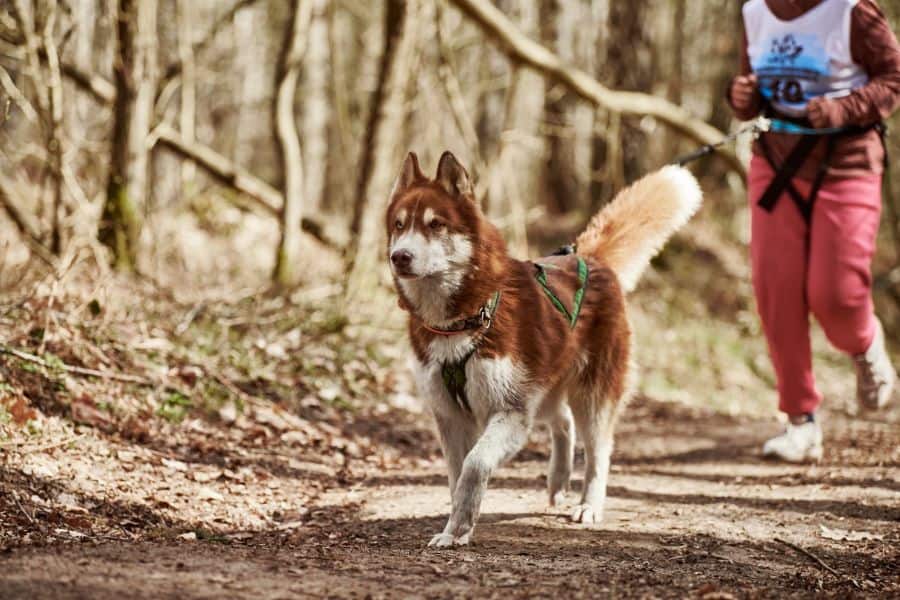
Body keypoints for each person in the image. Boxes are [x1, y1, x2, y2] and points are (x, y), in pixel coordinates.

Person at [728, 0, 900, 461]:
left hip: (847, 164)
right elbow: (750, 89)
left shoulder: (852, 12)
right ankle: (800, 420)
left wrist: (846, 108)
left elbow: (893, 79)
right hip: (775, 164)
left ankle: (865, 344)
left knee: (836, 296)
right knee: (776, 291)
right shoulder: (754, 13)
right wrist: (742, 98)